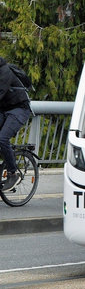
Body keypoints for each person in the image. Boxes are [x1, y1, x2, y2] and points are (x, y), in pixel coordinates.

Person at [0, 57, 33, 191]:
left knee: (2, 138)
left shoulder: (4, 72)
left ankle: (13, 173)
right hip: (4, 110)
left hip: (20, 109)